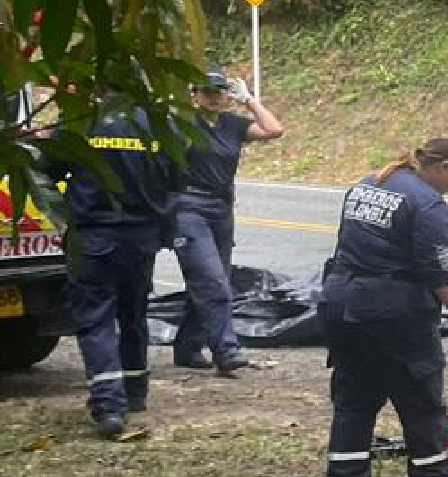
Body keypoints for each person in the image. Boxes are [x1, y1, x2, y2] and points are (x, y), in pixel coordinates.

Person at [320, 138, 448, 477]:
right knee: (421, 400)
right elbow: (436, 267)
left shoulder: (368, 182)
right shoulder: (427, 203)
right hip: (394, 311)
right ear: (442, 167)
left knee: (354, 398)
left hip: (341, 302)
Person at [57, 103, 180, 437]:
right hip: (140, 237)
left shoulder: (80, 120)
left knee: (96, 319)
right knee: (133, 313)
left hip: (94, 234)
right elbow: (177, 177)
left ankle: (110, 406)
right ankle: (136, 391)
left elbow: (49, 168)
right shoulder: (158, 122)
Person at [172, 70, 284, 374]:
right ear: (194, 94)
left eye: (219, 91)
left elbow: (274, 130)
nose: (213, 96)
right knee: (212, 280)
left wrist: (248, 100)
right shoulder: (182, 124)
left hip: (221, 208)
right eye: (206, 91)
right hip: (188, 206)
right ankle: (227, 351)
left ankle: (186, 347)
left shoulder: (233, 125)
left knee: (214, 277)